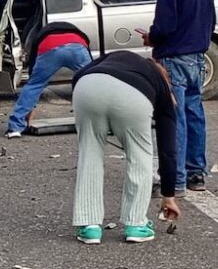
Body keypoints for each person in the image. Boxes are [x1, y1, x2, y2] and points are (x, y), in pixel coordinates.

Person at [72, 51, 181, 244]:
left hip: (87, 86)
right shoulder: (162, 88)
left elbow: (78, 75)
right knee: (140, 155)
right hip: (133, 96)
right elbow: (168, 149)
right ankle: (136, 225)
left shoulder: (116, 57)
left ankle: (89, 226)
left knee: (90, 152)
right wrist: (168, 195)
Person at [142, 0, 216, 194]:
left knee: (175, 117)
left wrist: (151, 37)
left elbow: (164, 26)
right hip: (198, 57)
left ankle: (176, 180)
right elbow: (211, 22)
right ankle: (196, 174)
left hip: (174, 58)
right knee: (195, 114)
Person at [5, 22, 92, 138]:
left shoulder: (40, 36)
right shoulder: (77, 33)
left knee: (34, 85)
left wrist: (31, 109)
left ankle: (15, 127)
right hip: (77, 46)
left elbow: (33, 68)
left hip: (49, 46)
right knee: (91, 81)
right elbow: (90, 57)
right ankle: (103, 122)